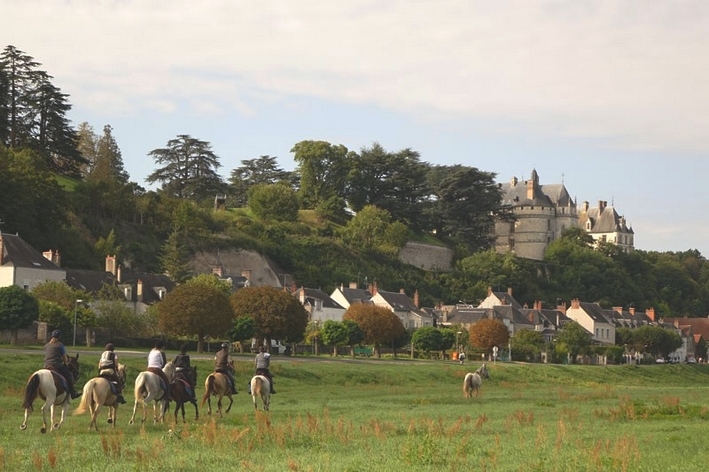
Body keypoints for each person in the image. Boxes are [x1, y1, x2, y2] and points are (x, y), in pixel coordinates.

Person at [44, 330, 81, 399]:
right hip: (57, 365)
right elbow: (64, 357)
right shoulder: (60, 345)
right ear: (59, 337)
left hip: (46, 365)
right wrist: (66, 364)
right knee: (69, 375)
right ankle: (73, 393)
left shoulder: (46, 345)